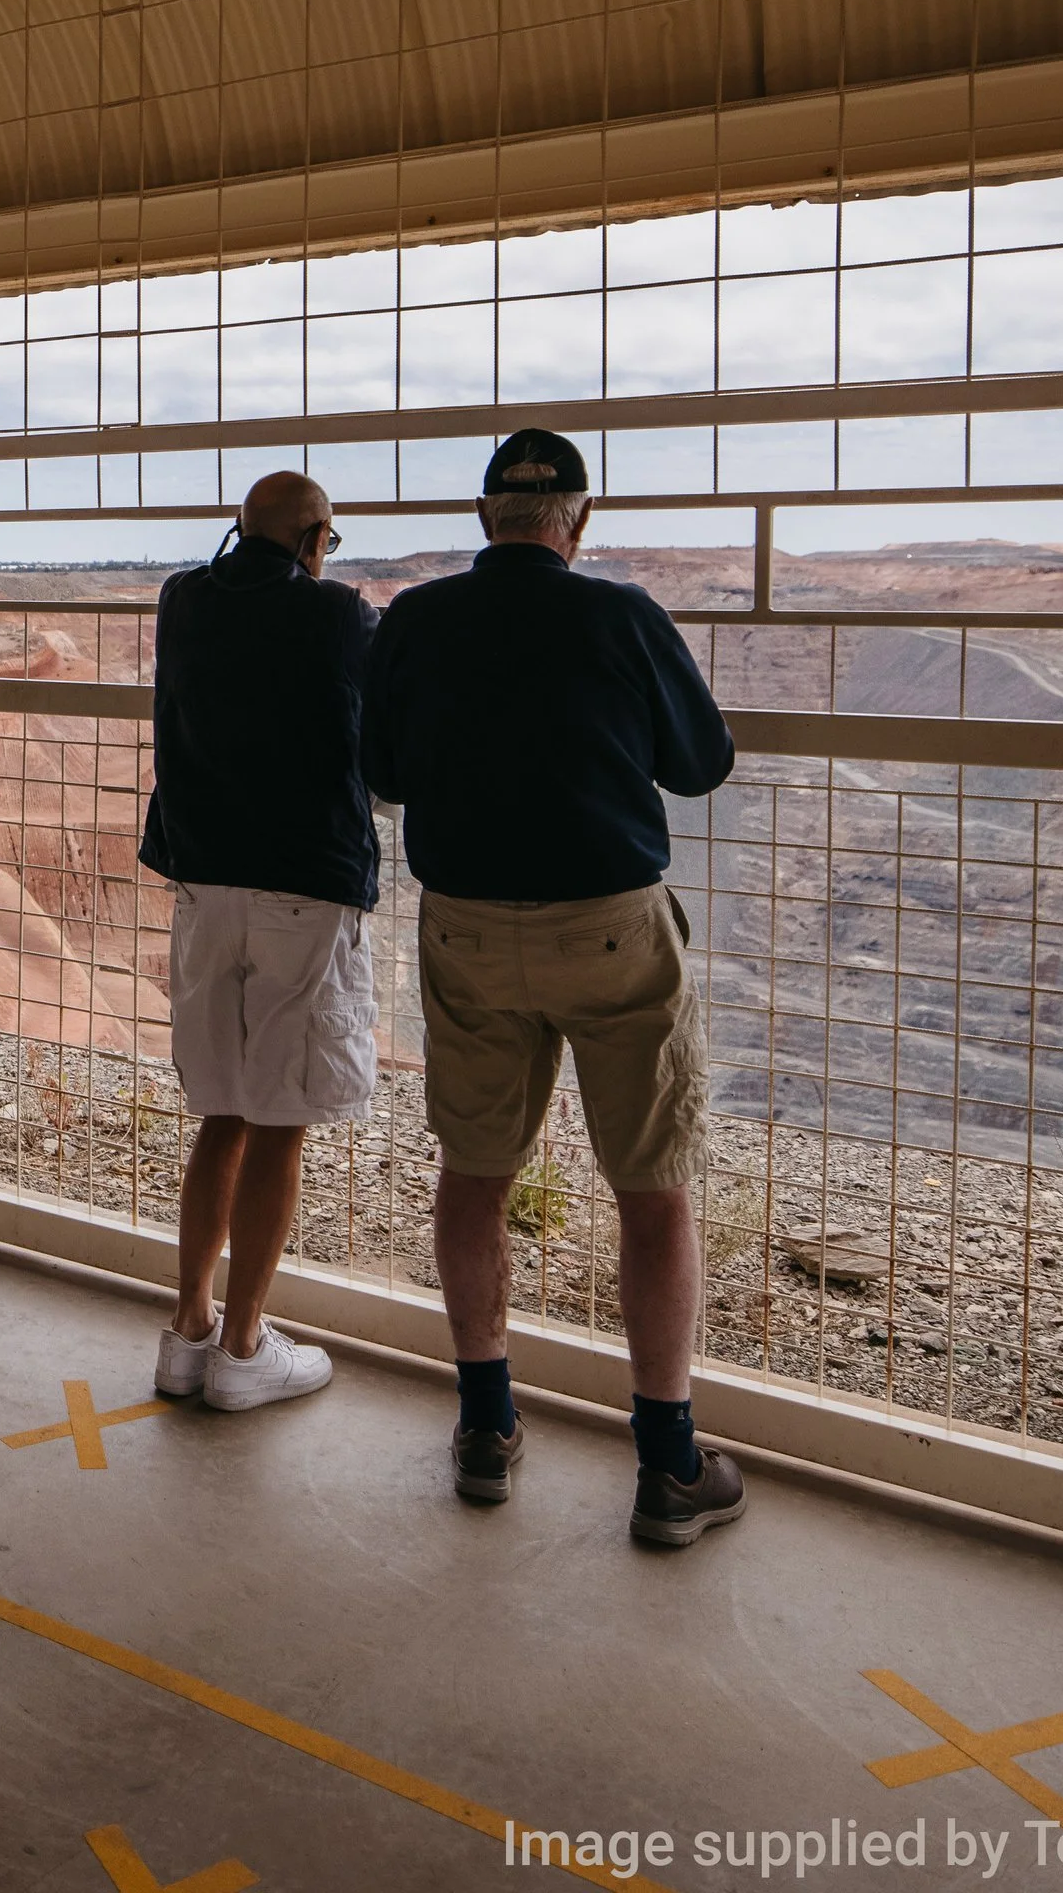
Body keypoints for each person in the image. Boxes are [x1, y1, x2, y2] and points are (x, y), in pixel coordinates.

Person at [361, 429, 740, 1542]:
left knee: (474, 1172)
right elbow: (701, 764)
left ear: (486, 519)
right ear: (577, 521)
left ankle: (486, 1427)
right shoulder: (620, 614)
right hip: (608, 929)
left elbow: (380, 773)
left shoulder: (418, 620)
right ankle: (667, 1467)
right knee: (652, 1187)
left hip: (468, 929)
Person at [138, 471, 380, 1410]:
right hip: (302, 890)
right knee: (281, 1120)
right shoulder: (337, 616)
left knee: (222, 1113)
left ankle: (189, 1328)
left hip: (204, 884)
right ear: (317, 538)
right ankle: (244, 1352)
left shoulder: (182, 599)